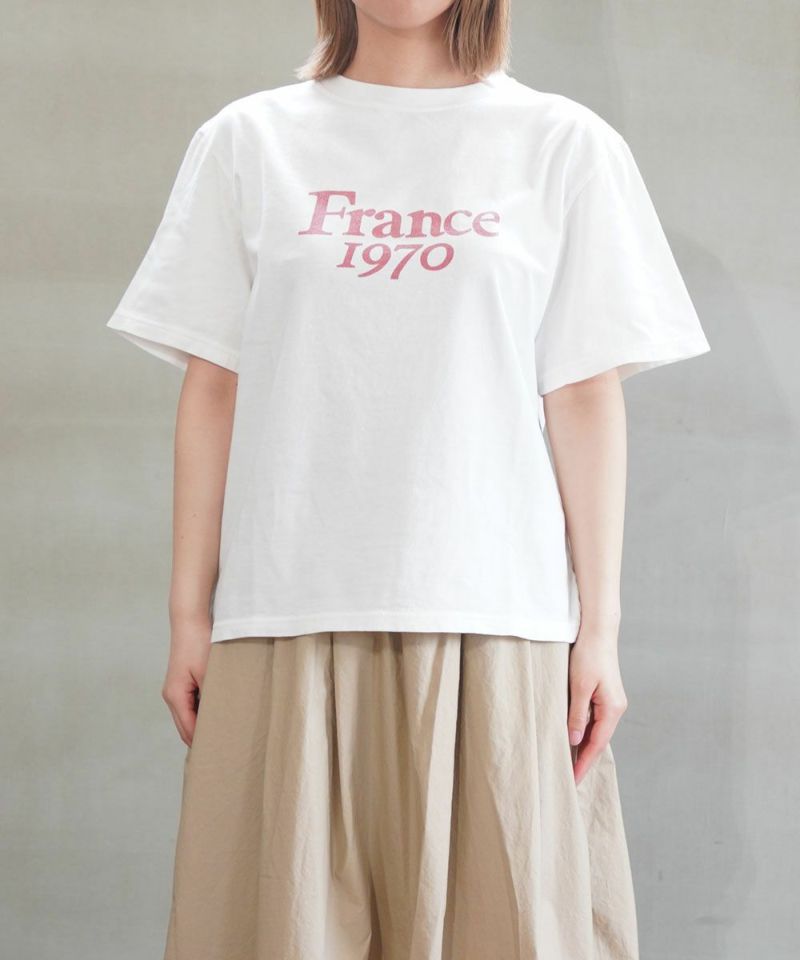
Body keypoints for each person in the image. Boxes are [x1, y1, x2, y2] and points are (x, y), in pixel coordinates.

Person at [106, 2, 711, 958]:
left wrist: (599, 630)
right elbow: (213, 387)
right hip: (287, 608)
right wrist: (190, 615)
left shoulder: (562, 145)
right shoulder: (249, 142)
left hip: (496, 615)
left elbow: (584, 396)